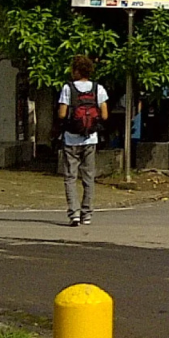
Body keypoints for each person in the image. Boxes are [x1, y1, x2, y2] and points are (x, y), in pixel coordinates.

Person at [58, 55, 109, 226]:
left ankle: (74, 214)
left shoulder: (68, 88)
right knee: (89, 177)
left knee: (70, 177)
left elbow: (62, 114)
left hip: (71, 139)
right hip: (90, 139)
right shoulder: (98, 88)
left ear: (76, 70)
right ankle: (87, 214)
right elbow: (104, 115)